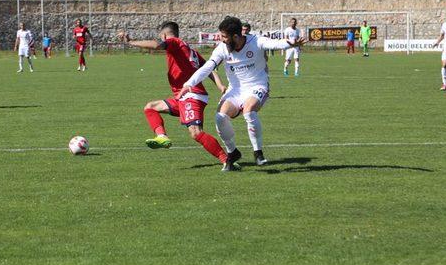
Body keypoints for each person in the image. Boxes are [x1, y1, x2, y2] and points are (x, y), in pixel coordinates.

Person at [178, 16, 306, 171]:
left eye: (224, 36)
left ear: (236, 36)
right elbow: (208, 67)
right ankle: (233, 152)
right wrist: (189, 84)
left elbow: (274, 43)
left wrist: (289, 44)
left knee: (248, 110)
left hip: (257, 86)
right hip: (235, 90)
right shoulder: (222, 48)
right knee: (220, 117)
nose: (222, 39)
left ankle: (258, 152)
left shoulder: (256, 41)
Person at [118, 22, 232, 169]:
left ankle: (227, 160)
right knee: (150, 107)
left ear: (164, 35)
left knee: (195, 132)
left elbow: (156, 45)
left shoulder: (174, 42)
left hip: (192, 95)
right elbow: (210, 69)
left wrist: (130, 42)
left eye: (162, 37)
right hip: (183, 97)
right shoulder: (191, 51)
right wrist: (220, 85)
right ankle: (162, 136)